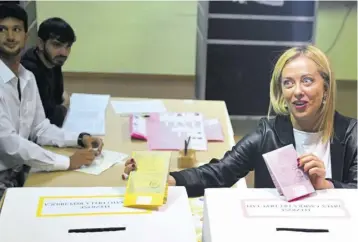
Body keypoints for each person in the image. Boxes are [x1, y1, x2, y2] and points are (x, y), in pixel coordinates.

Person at [123, 45, 357, 197]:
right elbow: (220, 172)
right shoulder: (268, 134)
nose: (297, 91)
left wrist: (327, 186)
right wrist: (168, 179)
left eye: (307, 81)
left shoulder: (352, 134)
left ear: (325, 88)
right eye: (288, 83)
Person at [0, 4, 103, 199]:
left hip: (23, 170)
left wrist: (80, 138)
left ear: (26, 36)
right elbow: (10, 144)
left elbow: (40, 128)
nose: (11, 37)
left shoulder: (27, 78)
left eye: (17, 30)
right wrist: (67, 162)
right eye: (2, 30)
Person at [21, 17, 75, 127]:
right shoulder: (29, 71)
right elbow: (50, 119)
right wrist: (66, 104)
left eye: (68, 46)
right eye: (57, 45)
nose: (64, 53)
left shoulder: (53, 60)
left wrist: (61, 105)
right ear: (40, 44)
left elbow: (58, 97)